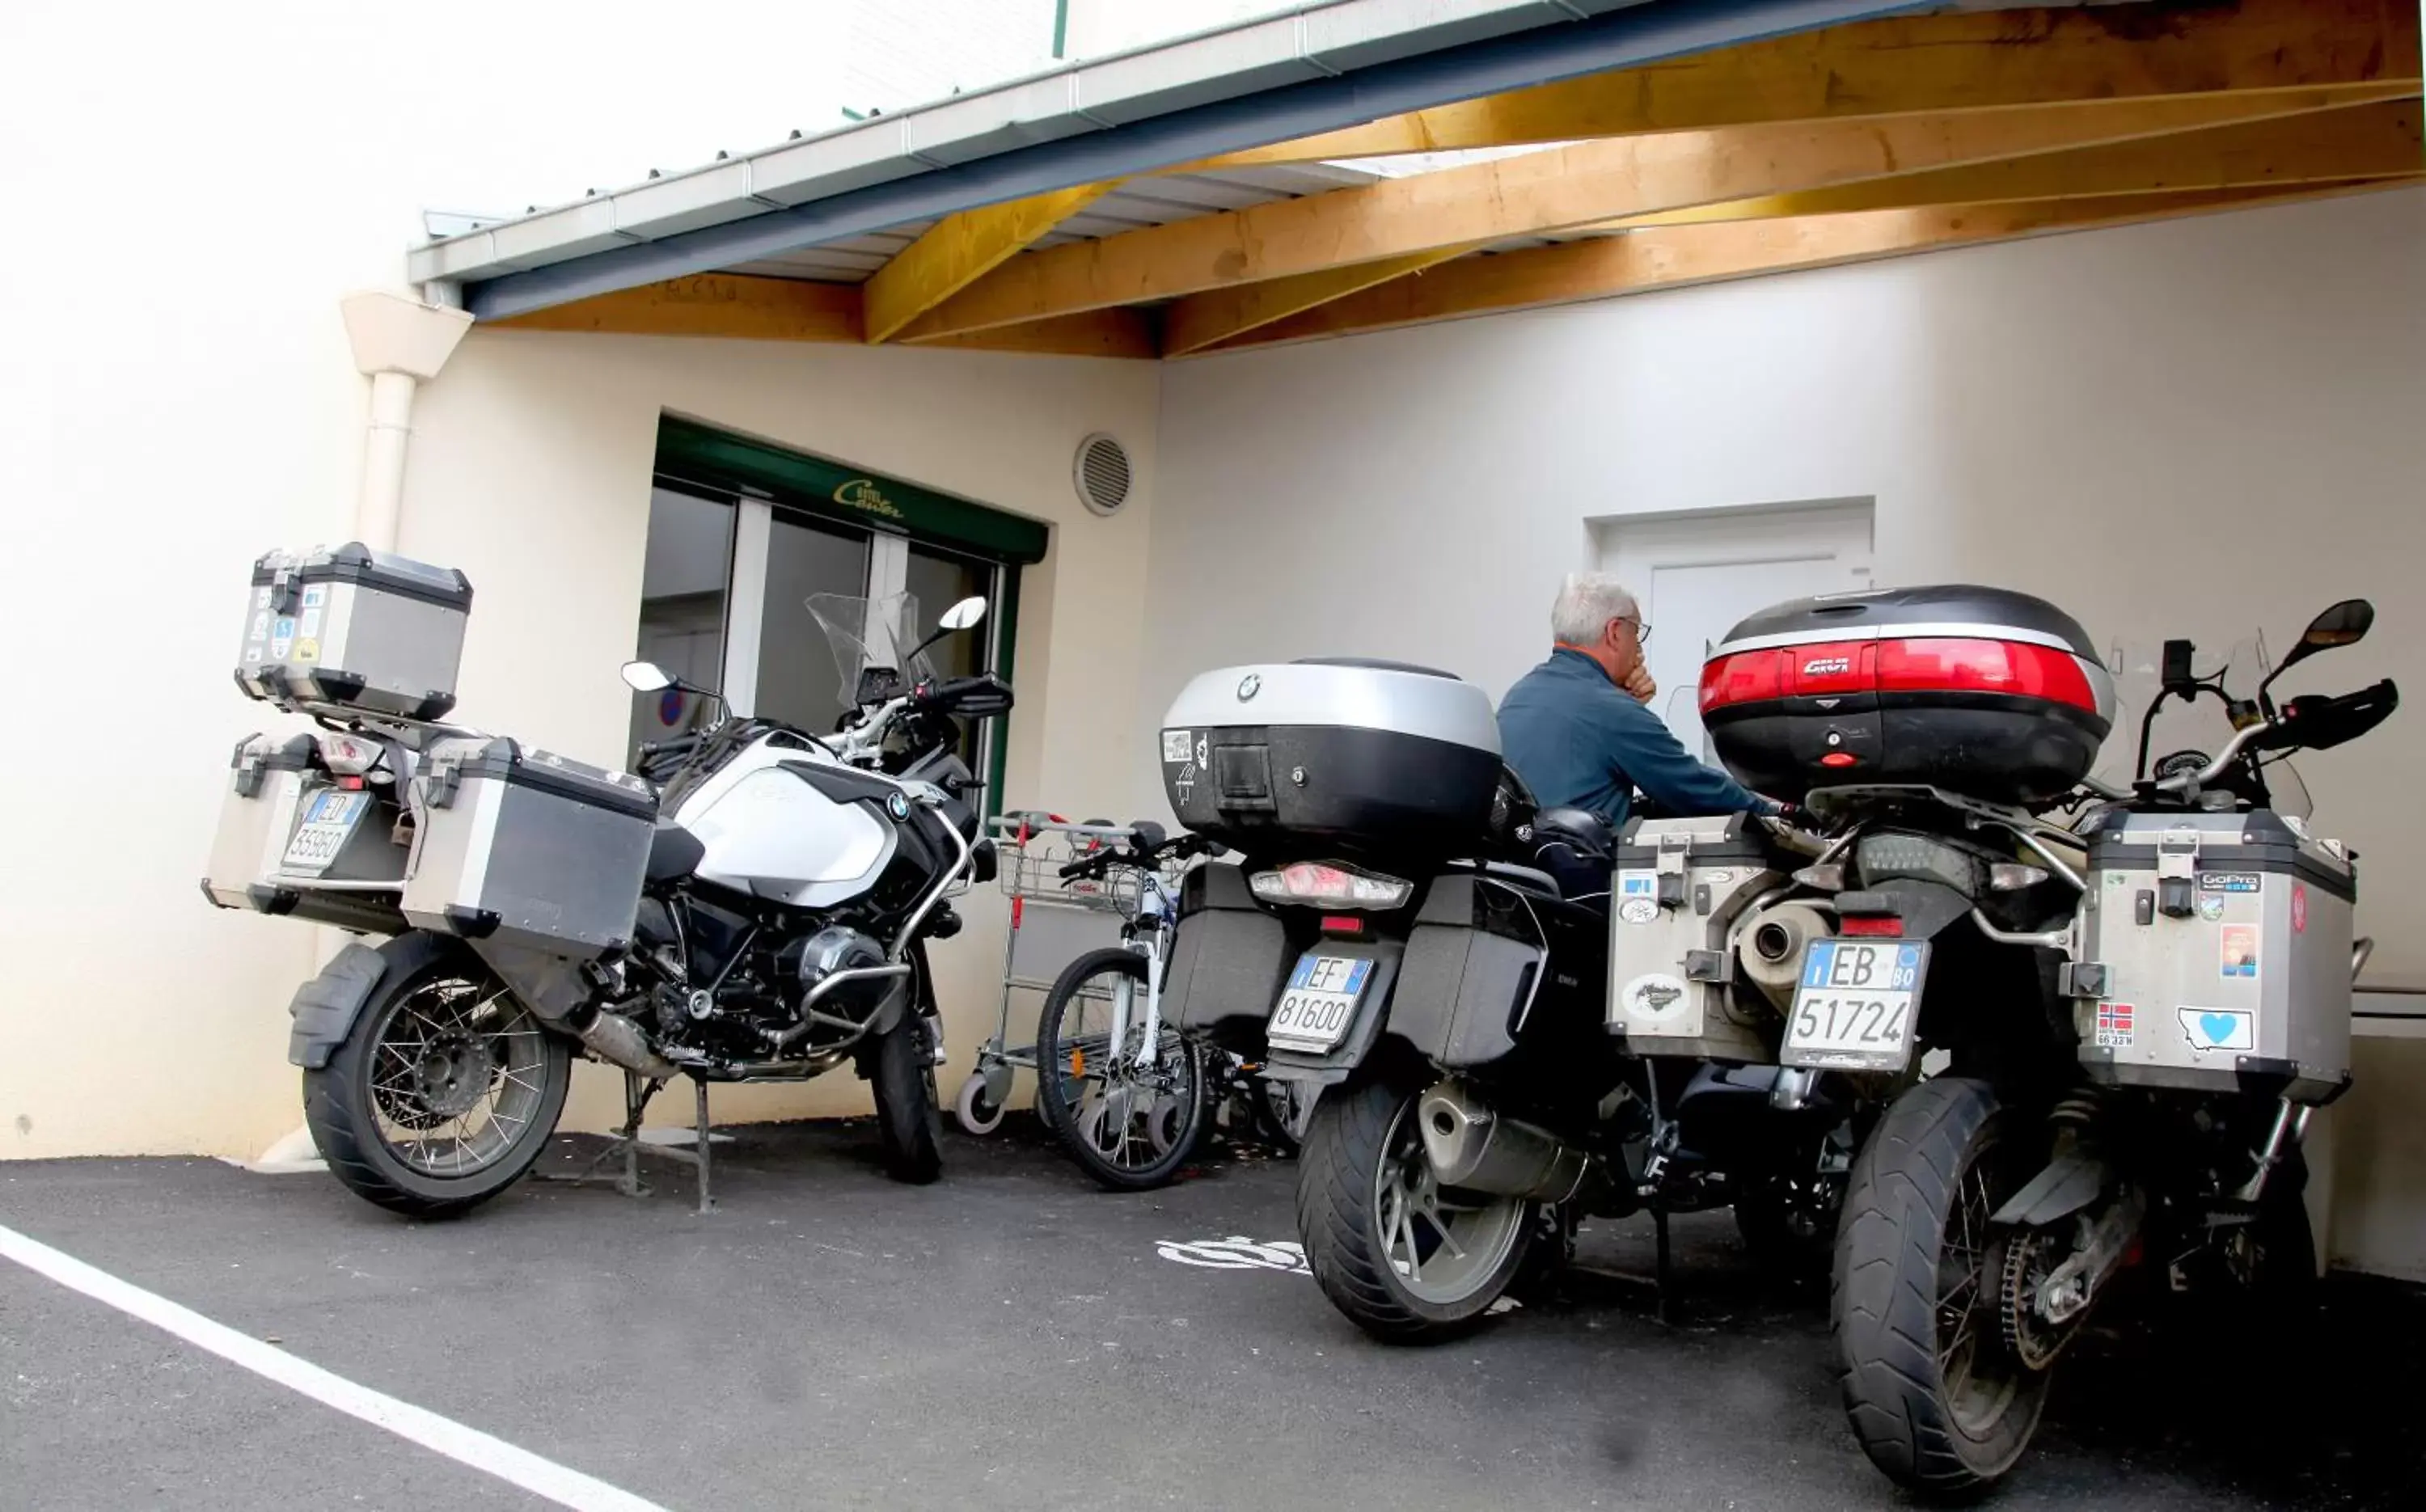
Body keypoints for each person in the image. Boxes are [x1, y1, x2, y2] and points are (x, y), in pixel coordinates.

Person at [1498, 572, 1775, 829]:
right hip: (1581, 876)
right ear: (1615, 632)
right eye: (1636, 632)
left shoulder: (1517, 697)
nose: (1639, 647)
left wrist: (1624, 699)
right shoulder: (1612, 711)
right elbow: (1691, 787)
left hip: (1519, 872)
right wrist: (1776, 812)